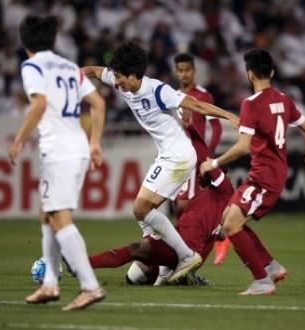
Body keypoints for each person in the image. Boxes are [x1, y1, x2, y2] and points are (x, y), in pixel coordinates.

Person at [82, 42, 238, 284]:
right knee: (144, 212)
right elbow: (92, 70)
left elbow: (195, 105)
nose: (117, 83)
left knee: (140, 208)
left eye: (121, 78)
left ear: (134, 76)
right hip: (166, 155)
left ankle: (186, 256)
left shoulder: (157, 91)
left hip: (179, 155)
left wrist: (228, 115)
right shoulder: (119, 80)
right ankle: (165, 265)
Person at [87, 127, 287, 285]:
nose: (202, 168)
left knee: (135, 251)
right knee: (136, 268)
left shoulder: (223, 189)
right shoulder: (209, 200)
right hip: (180, 251)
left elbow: (204, 155)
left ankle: (83, 264)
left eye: (206, 168)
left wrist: (191, 130)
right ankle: (170, 275)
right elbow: (207, 241)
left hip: (180, 252)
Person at [201, 49, 305, 295]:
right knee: (228, 219)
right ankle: (271, 266)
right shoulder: (284, 99)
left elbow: (243, 147)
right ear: (272, 72)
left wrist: (213, 163)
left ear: (249, 74)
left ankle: (262, 281)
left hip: (264, 177)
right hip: (271, 173)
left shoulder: (251, 104)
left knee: (232, 225)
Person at [8, 15, 106, 311]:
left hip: (59, 151)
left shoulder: (32, 65)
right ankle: (50, 283)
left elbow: (38, 103)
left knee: (59, 216)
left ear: (25, 43)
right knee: (46, 213)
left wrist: (18, 139)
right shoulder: (69, 66)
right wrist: (95, 142)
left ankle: (90, 286)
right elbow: (99, 103)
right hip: (76, 146)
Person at [173, 52, 229, 266]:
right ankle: (193, 246)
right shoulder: (173, 96)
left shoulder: (203, 96)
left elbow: (216, 127)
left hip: (197, 158)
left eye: (187, 70)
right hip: (177, 158)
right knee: (179, 208)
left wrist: (208, 154)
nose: (184, 74)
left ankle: (197, 247)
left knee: (187, 205)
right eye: (180, 70)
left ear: (194, 71)